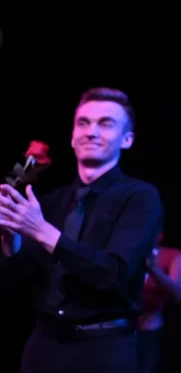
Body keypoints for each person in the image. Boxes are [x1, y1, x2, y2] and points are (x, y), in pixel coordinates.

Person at [0, 87, 163, 373]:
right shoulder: (52, 202)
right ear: (73, 138)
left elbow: (114, 274)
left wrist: (41, 231)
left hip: (103, 348)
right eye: (83, 123)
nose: (91, 132)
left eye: (106, 124)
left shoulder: (140, 198)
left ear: (127, 139)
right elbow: (26, 280)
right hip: (43, 345)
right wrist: (10, 240)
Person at [137, 230, 181, 373]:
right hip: (122, 330)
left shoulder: (172, 256)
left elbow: (178, 294)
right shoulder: (130, 255)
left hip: (149, 332)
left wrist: (154, 269)